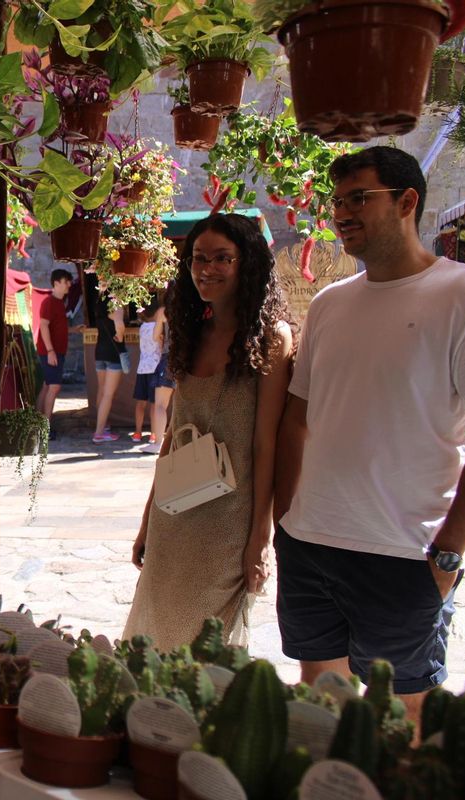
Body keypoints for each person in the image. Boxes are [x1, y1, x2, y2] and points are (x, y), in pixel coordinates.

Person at [273, 146, 465, 722]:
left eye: (359, 198)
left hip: (404, 552)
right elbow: (298, 418)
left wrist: (448, 554)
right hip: (309, 544)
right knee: (323, 714)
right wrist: (284, 520)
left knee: (405, 719)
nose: (341, 213)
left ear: (407, 202)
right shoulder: (330, 304)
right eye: (337, 201)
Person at [123, 213, 294, 650]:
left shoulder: (271, 338)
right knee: (157, 625)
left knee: (209, 644)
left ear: (248, 264)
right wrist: (147, 519)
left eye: (223, 258)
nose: (207, 268)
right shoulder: (190, 333)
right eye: (199, 258)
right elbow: (172, 436)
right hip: (174, 512)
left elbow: (266, 442)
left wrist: (260, 536)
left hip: (228, 519)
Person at [36, 268, 82, 439]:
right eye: (66, 281)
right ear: (56, 283)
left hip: (54, 351)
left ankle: (39, 424)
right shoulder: (49, 302)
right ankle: (45, 428)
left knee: (47, 386)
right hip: (50, 352)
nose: (69, 284)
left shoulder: (59, 303)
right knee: (54, 387)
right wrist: (50, 351)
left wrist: (73, 329)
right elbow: (43, 325)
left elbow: (57, 327)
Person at [131, 299, 174, 454]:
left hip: (168, 358)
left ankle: (157, 443)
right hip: (187, 358)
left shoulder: (164, 310)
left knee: (160, 405)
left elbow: (156, 337)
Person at [91, 294, 129, 443]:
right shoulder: (116, 303)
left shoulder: (99, 301)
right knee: (108, 394)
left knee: (102, 390)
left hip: (99, 351)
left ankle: (102, 424)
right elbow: (119, 324)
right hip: (113, 353)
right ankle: (99, 433)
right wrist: (120, 335)